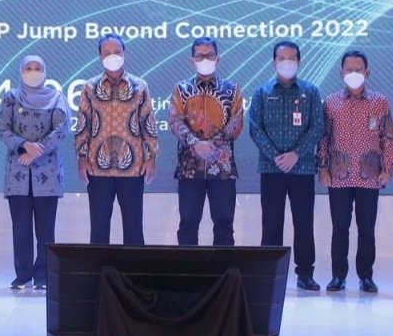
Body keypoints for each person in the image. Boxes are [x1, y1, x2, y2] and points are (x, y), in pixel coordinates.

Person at [317, 50, 393, 293]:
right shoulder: (330, 103)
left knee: (366, 229)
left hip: (369, 176)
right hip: (338, 176)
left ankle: (366, 277)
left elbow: (388, 138)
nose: (354, 73)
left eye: (358, 69)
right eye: (349, 69)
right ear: (341, 73)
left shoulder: (380, 102)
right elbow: (324, 138)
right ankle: (338, 276)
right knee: (340, 228)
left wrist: (388, 168)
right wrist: (323, 167)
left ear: (367, 72)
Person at [248, 40, 323, 291]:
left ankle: (305, 274)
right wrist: (276, 157)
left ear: (299, 61)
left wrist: (296, 154)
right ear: (274, 62)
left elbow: (317, 127)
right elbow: (255, 129)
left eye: (291, 58)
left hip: (302, 169)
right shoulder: (261, 92)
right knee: (271, 223)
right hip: (271, 169)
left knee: (304, 223)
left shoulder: (311, 92)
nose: (287, 62)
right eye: (282, 58)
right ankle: (270, 274)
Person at [73, 34, 158, 245]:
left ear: (124, 54)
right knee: (99, 230)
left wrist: (151, 158)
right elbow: (83, 124)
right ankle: (99, 268)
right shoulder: (89, 87)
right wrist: (82, 158)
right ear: (100, 56)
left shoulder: (140, 86)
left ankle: (133, 268)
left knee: (134, 230)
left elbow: (148, 124)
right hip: (97, 169)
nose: (113, 56)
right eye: (107, 52)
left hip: (133, 168)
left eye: (117, 52)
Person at [0, 55, 69, 290]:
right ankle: (23, 275)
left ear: (45, 72)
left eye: (38, 68)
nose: (33, 71)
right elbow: (2, 129)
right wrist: (24, 145)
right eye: (28, 68)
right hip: (17, 173)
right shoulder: (10, 98)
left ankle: (43, 276)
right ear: (21, 72)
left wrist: (37, 150)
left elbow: (61, 129)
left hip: (47, 174)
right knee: (21, 229)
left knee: (46, 229)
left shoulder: (56, 98)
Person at [167, 37, 244, 246]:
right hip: (190, 169)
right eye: (200, 56)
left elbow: (236, 122)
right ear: (192, 60)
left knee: (224, 226)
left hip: (223, 169)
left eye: (209, 55)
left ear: (218, 59)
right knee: (188, 226)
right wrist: (195, 143)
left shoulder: (232, 89)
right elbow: (174, 121)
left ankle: (223, 268)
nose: (205, 59)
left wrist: (212, 144)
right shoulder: (181, 89)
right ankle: (190, 268)